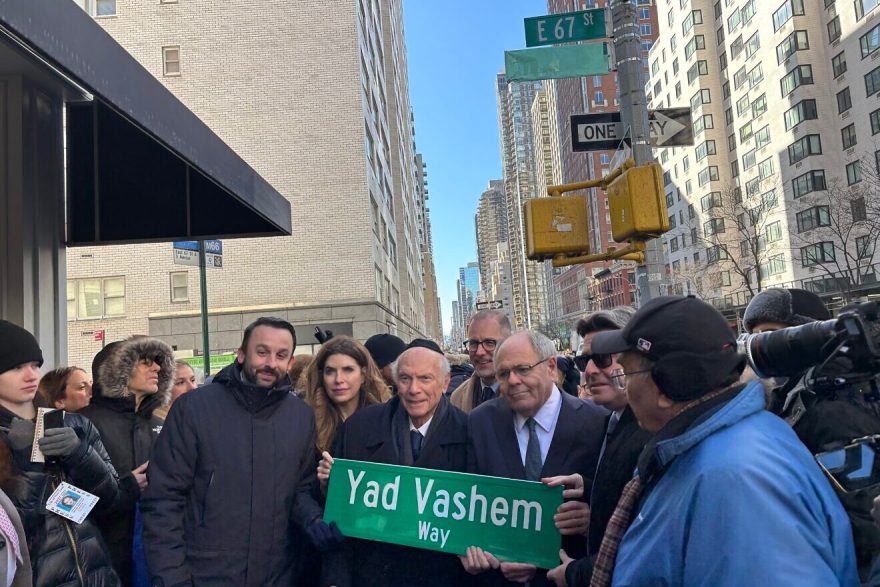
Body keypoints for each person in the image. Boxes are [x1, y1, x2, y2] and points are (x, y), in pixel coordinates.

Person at [583, 295, 858, 586]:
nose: (625, 386)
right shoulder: (716, 451)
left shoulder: (735, 479)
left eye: (626, 373)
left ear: (668, 383)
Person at [141, 317, 324, 585]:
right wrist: (171, 578)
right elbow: (163, 501)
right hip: (204, 575)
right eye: (262, 352)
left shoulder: (300, 417)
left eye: (281, 355)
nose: (271, 363)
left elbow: (300, 490)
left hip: (277, 575)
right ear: (241, 354)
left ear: (291, 363)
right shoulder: (193, 410)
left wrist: (314, 519)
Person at [744, 287, 880, 579]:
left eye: (770, 335)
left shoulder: (836, 410)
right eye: (755, 338)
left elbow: (865, 514)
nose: (763, 350)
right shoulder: (791, 397)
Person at [462, 330, 607, 586]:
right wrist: (475, 549)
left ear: (551, 367)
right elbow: (468, 501)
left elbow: (615, 502)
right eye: (504, 374)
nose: (514, 380)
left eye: (523, 369)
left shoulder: (596, 422)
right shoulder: (480, 422)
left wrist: (591, 518)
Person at [319, 341, 470, 586]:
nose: (414, 389)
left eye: (425, 378)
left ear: (445, 383)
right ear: (394, 380)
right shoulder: (358, 428)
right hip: (373, 573)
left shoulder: (469, 433)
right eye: (405, 378)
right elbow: (340, 516)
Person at [0, 319, 120, 586]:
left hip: (96, 574)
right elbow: (13, 535)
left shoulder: (74, 423)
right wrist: (30, 465)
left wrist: (80, 454)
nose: (31, 375)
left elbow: (113, 501)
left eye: (34, 365)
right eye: (16, 367)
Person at [548, 307, 653, 586]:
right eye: (584, 361)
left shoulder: (652, 429)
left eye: (604, 358)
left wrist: (578, 574)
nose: (591, 371)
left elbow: (647, 545)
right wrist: (590, 487)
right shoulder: (612, 420)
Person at [79, 335, 174, 586]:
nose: (156, 367)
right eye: (146, 362)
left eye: (158, 361)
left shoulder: (161, 425)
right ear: (117, 372)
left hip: (154, 559)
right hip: (99, 560)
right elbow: (64, 500)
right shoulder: (81, 423)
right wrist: (123, 487)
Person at [305, 336, 389, 456]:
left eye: (348, 370)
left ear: (363, 375)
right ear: (321, 376)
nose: (338, 379)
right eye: (330, 371)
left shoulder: (386, 418)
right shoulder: (306, 422)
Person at [450, 310, 512, 413]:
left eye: (489, 343)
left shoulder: (529, 392)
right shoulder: (457, 398)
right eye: (473, 343)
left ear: (509, 344)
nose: (479, 352)